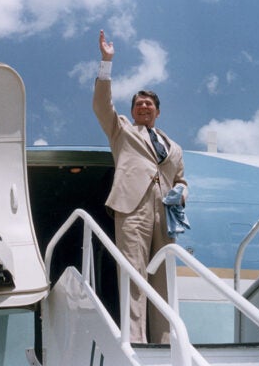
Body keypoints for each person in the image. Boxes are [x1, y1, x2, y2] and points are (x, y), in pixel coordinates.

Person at [93, 30, 188, 344]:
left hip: (165, 213)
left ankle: (165, 340)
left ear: (158, 111)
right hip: (132, 208)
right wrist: (106, 63)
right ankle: (135, 339)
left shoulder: (174, 147)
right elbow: (101, 104)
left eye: (148, 104)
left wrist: (182, 193)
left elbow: (181, 180)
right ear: (132, 111)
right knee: (134, 273)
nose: (143, 107)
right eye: (138, 104)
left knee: (163, 278)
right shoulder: (121, 129)